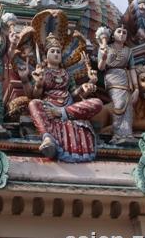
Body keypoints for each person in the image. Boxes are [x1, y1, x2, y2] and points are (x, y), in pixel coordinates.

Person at [20, 33, 103, 162]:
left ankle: (61, 113)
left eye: (58, 51)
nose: (56, 54)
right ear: (45, 56)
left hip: (67, 107)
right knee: (34, 104)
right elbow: (34, 96)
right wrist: (39, 83)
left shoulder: (67, 74)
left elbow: (74, 94)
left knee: (97, 103)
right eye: (52, 51)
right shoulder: (42, 72)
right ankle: (48, 138)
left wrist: (85, 87)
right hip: (48, 106)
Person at [96, 25, 138, 142]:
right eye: (119, 31)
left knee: (128, 106)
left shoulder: (128, 51)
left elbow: (132, 69)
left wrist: (137, 88)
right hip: (112, 78)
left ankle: (127, 134)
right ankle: (117, 134)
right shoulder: (105, 48)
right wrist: (103, 58)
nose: (121, 34)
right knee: (118, 104)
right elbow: (101, 67)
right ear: (113, 35)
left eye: (124, 32)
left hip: (126, 78)